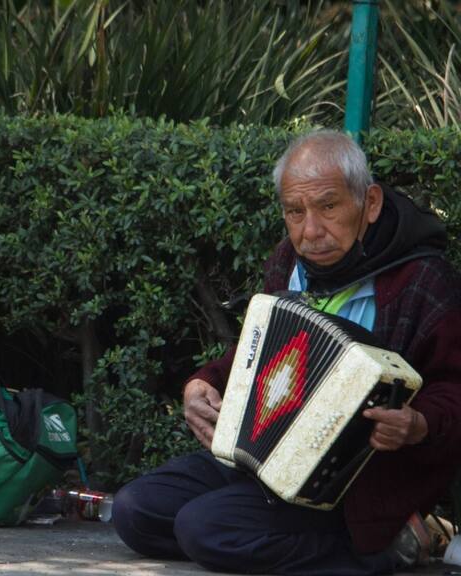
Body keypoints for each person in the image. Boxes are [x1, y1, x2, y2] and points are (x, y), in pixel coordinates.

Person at [112, 130, 461, 575]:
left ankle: (382, 548)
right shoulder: (287, 263)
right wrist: (205, 382)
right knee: (134, 510)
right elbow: (260, 351)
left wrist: (419, 424)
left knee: (204, 529)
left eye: (329, 206)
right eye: (295, 212)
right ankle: (257, 535)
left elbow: (454, 385)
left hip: (355, 484)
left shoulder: (421, 280)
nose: (311, 230)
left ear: (369, 203)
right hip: (269, 460)